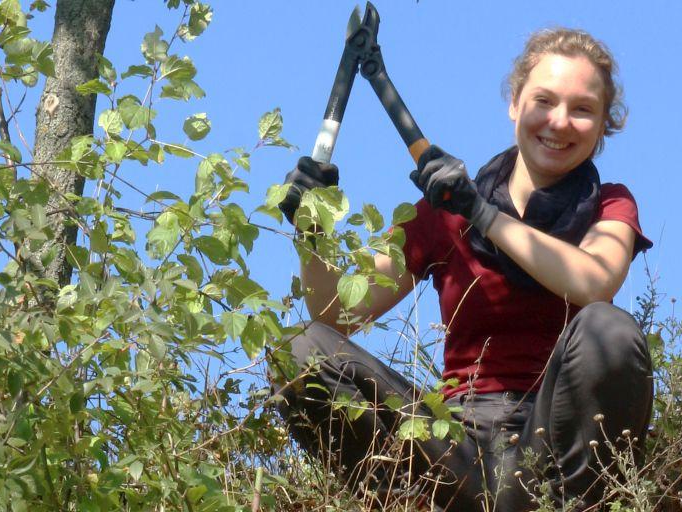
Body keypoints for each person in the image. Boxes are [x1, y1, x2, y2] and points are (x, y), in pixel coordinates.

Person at [271, 28, 654, 511]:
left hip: (549, 447)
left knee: (610, 328)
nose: (559, 122)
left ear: (602, 127)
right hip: (451, 450)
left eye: (582, 110)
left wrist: (482, 214)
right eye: (544, 100)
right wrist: (311, 231)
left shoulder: (610, 204)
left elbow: (595, 282)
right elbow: (336, 313)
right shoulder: (444, 211)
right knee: (300, 350)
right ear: (515, 104)